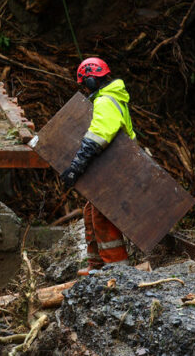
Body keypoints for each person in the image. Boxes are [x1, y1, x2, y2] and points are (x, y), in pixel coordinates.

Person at [59, 57, 135, 276]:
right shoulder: (109, 98)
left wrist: (76, 166)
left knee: (103, 212)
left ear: (92, 81)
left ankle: (117, 267)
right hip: (116, 164)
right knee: (90, 209)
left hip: (118, 165)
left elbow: (98, 137)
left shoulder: (105, 101)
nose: (85, 87)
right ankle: (97, 264)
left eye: (85, 83)